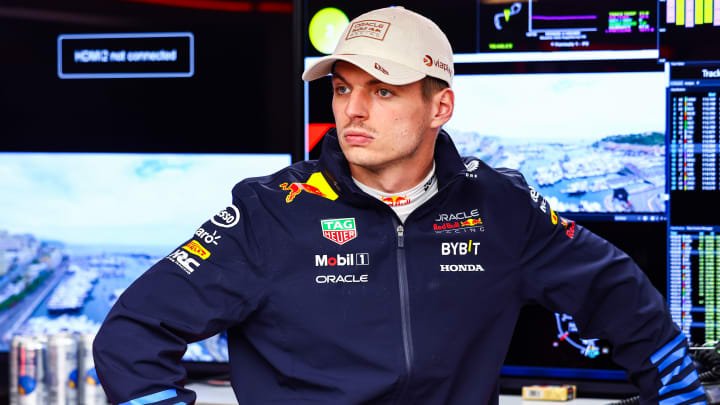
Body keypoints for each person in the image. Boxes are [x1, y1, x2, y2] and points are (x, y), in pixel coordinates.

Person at [93, 6, 706, 405]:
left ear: (440, 108)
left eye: (382, 91)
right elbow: (132, 335)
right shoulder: (268, 210)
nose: (353, 112)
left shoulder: (501, 206)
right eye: (342, 89)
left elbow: (614, 293)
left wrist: (678, 394)